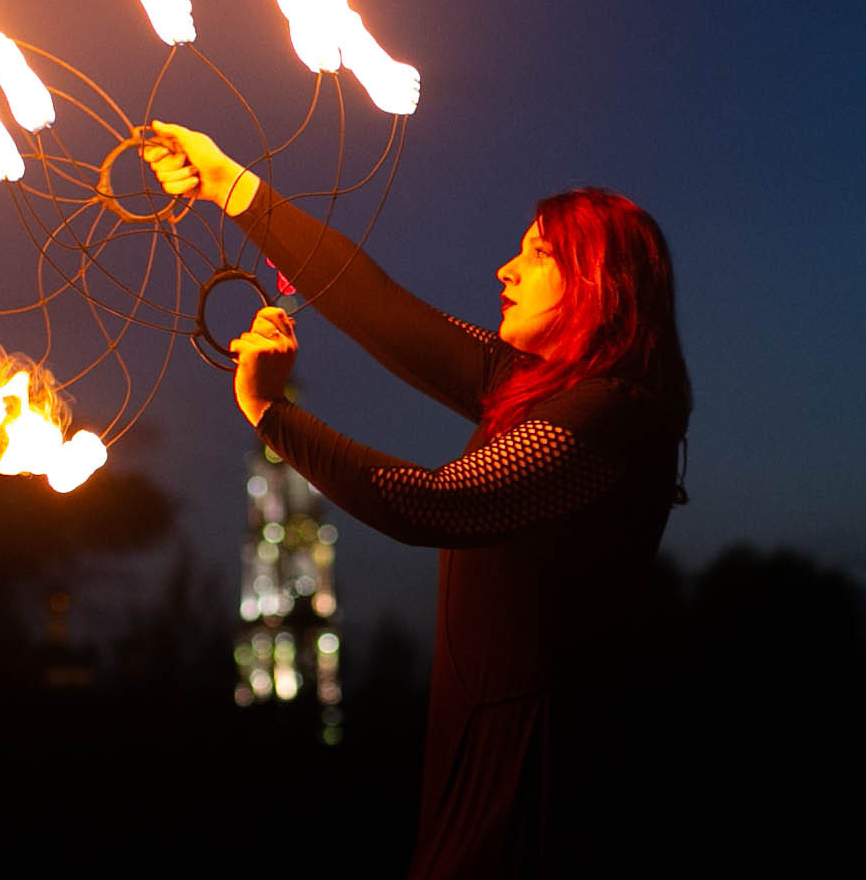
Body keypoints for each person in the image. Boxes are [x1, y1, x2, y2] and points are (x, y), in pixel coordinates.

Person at [143, 121, 691, 878]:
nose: (505, 268)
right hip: (481, 758)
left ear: (599, 280)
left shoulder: (611, 416)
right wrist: (229, 184)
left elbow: (436, 502)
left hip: (539, 780)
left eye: (537, 254)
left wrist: (276, 417)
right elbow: (380, 307)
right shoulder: (537, 393)